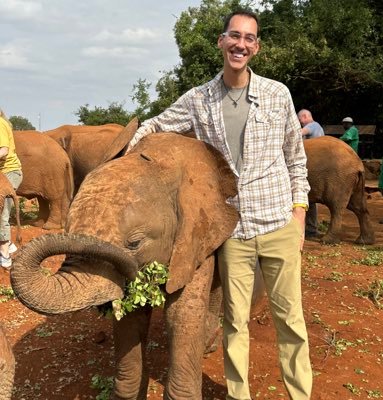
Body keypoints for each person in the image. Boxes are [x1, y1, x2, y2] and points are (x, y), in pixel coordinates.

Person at [127, 10, 312, 400]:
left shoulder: (278, 94)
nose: (240, 44)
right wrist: (128, 160)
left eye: (248, 38)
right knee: (235, 323)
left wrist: (299, 216)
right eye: (234, 36)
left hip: (277, 222)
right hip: (234, 233)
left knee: (290, 321)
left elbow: (297, 160)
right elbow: (156, 125)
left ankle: (300, 394)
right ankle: (238, 395)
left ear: (256, 47)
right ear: (221, 41)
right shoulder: (198, 99)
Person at [0, 109, 23, 269]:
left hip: (9, 173)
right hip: (5, 173)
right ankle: (9, 244)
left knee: (2, 214)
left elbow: (3, 151)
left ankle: (5, 257)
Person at [297, 109, 324, 238]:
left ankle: (310, 228)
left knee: (308, 197)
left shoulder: (312, 126)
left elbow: (298, 134)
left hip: (311, 166)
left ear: (305, 116)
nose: (299, 122)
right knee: (310, 199)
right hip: (317, 165)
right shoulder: (318, 127)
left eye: (300, 119)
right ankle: (311, 227)